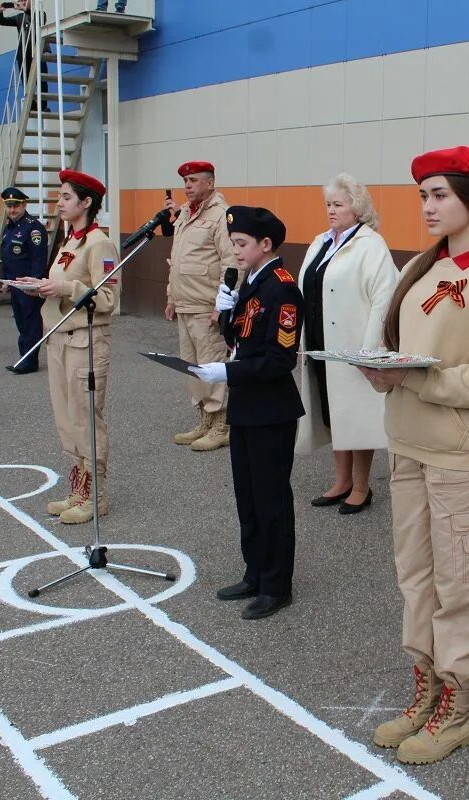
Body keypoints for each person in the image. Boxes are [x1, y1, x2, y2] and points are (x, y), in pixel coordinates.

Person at [360, 147, 469, 765]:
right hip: (408, 446)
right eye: (423, 196)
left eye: (440, 195)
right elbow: (406, 355)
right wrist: (385, 372)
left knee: (459, 586)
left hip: (464, 457)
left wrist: (412, 378)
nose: (428, 207)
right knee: (416, 580)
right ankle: (426, 689)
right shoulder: (423, 268)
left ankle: (458, 707)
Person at [199, 206, 303, 621]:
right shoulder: (249, 284)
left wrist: (226, 371)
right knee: (247, 496)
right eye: (233, 243)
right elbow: (237, 338)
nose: (235, 251)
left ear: (265, 245)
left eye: (241, 244)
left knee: (271, 498)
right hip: (245, 405)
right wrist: (226, 311)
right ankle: (254, 572)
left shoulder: (281, 289)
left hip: (271, 409)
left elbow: (281, 359)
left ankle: (277, 585)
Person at [19, 170, 117, 525]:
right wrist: (40, 285)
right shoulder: (69, 239)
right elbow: (64, 282)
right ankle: (77, 485)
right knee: (65, 416)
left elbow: (108, 299)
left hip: (85, 341)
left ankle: (95, 494)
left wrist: (64, 290)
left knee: (85, 416)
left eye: (65, 197)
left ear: (86, 202)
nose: (58, 203)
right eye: (59, 197)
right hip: (59, 335)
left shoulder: (99, 243)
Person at [297, 173, 398, 515]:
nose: (331, 210)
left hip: (354, 345)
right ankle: (340, 481)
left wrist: (370, 350)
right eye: (328, 204)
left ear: (357, 208)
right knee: (331, 411)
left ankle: (361, 486)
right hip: (321, 340)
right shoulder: (321, 242)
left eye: (338, 204)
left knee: (356, 416)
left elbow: (384, 299)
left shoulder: (371, 246)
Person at [160, 160, 234, 451]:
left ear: (210, 183)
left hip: (207, 306)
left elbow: (231, 263)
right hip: (185, 302)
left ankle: (221, 425)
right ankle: (204, 418)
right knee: (191, 366)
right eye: (185, 181)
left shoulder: (221, 216)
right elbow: (176, 259)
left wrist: (222, 305)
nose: (188, 186)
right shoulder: (184, 215)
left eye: (193, 180)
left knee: (212, 365)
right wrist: (171, 297)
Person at [0, 186, 49, 375]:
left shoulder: (34, 228)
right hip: (15, 284)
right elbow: (7, 256)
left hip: (28, 286)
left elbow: (38, 259)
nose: (12, 210)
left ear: (24, 205)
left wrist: (34, 285)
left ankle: (29, 361)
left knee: (31, 323)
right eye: (9, 206)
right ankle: (24, 358)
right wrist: (5, 280)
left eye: (16, 206)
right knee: (21, 322)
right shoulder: (10, 227)